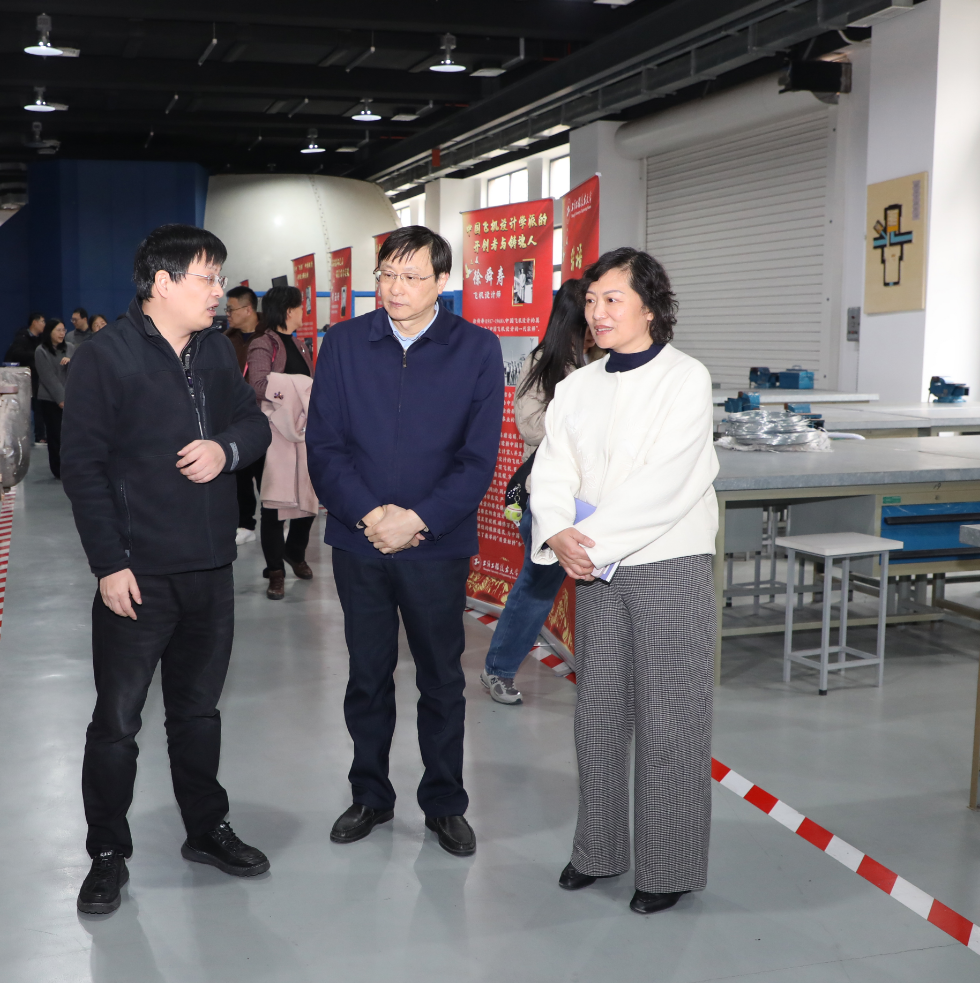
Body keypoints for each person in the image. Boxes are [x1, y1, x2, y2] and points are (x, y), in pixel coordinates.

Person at [61, 224, 273, 917]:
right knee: (117, 723)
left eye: (220, 279)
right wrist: (109, 564)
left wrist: (225, 449)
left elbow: (254, 424)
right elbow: (83, 470)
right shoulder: (105, 358)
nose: (220, 292)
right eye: (209, 278)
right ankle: (106, 852)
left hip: (211, 569)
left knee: (198, 713)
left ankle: (206, 828)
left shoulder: (214, 351)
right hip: (139, 576)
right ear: (163, 283)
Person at [529, 247, 719, 915]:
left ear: (650, 307)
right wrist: (557, 530)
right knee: (597, 715)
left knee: (671, 719)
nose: (598, 312)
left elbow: (671, 480)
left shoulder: (685, 378)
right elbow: (553, 467)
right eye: (591, 300)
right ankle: (598, 850)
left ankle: (667, 867)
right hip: (592, 567)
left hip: (666, 561)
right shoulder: (579, 386)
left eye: (613, 298)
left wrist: (589, 544)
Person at [307, 226, 504, 857]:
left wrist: (417, 520)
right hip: (359, 541)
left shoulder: (476, 348)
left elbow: (477, 459)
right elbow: (324, 446)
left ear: (442, 281)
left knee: (441, 678)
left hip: (436, 546)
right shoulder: (344, 343)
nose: (396, 288)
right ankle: (370, 794)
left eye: (412, 277)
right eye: (387, 274)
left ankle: (444, 803)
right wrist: (371, 516)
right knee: (366, 674)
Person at [479, 280, 603, 705]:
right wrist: (576, 411)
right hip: (552, 498)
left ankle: (605, 679)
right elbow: (529, 426)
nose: (599, 322)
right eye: (591, 313)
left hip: (597, 501)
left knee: (600, 592)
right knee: (535, 589)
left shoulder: (603, 362)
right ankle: (498, 669)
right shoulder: (543, 361)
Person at [246, 285, 315, 601]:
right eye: (301, 307)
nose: (304, 312)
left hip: (301, 434)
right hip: (273, 437)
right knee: (273, 506)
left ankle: (294, 552)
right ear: (289, 310)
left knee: (308, 497)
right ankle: (275, 571)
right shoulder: (263, 343)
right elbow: (258, 385)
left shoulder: (300, 344)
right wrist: (299, 387)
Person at [226, 286, 263, 545]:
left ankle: (277, 522)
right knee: (240, 473)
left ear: (248, 309)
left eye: (231, 309)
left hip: (265, 417)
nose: (227, 314)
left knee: (267, 475)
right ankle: (245, 523)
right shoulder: (225, 340)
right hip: (234, 417)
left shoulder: (269, 337)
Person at [34, 318, 70, 479]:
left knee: (70, 435)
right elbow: (47, 377)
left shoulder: (70, 348)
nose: (62, 333)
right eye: (58, 330)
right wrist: (61, 399)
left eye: (63, 330)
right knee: (55, 435)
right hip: (50, 400)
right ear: (50, 332)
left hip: (70, 399)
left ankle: (71, 466)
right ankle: (58, 469)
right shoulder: (41, 351)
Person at [4, 311, 47, 442]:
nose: (44, 324)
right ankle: (19, 436)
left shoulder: (42, 339)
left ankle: (40, 436)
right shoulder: (21, 338)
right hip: (24, 378)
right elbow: (17, 354)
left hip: (38, 377)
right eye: (42, 321)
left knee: (39, 406)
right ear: (35, 322)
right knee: (23, 407)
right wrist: (36, 354)